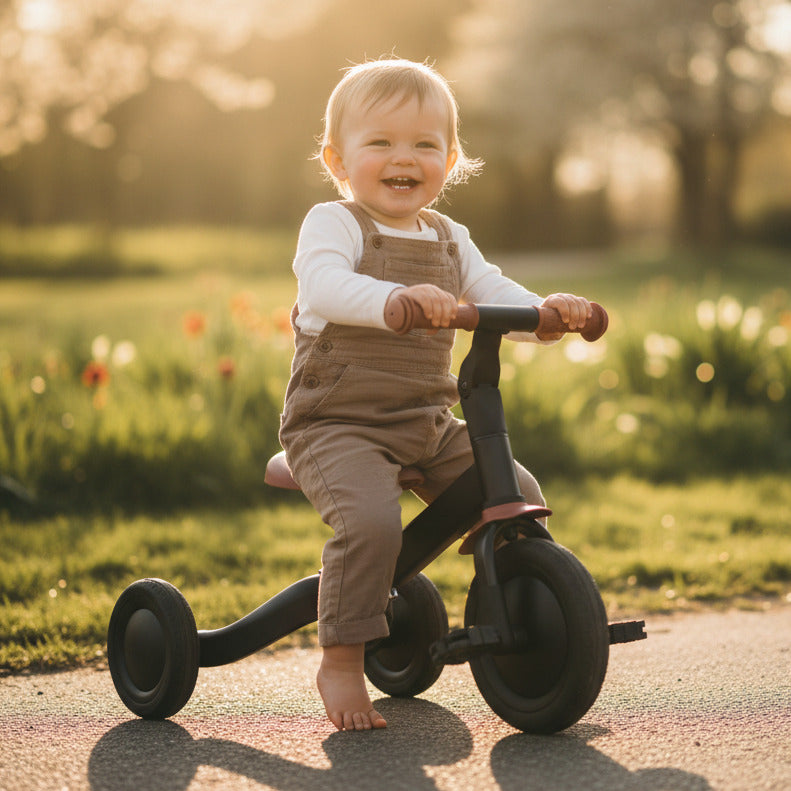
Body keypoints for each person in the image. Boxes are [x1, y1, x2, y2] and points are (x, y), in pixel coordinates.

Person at [278, 57, 591, 731]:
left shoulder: (452, 240)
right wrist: (394, 299)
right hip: (334, 425)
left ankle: (525, 615)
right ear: (337, 160)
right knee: (369, 523)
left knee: (511, 488)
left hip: (424, 420)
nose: (404, 158)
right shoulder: (333, 225)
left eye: (424, 144)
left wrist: (548, 311)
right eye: (381, 142)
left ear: (449, 161)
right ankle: (340, 655)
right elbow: (324, 287)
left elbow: (498, 295)